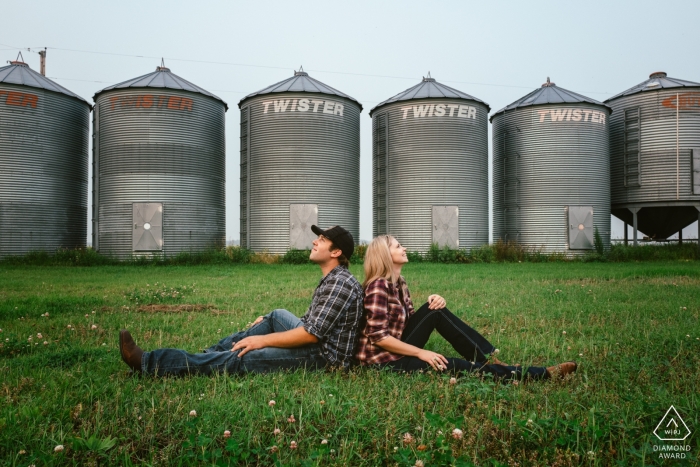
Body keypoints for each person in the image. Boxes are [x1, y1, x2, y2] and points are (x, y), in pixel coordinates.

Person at [119, 225, 363, 376]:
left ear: (336, 252)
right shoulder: (335, 278)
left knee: (243, 358)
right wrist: (268, 326)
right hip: (316, 343)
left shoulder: (339, 283)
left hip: (322, 359)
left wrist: (261, 340)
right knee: (276, 315)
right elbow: (315, 324)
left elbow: (311, 335)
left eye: (322, 239)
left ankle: (150, 364)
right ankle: (207, 355)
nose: (314, 241)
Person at [355, 235, 577, 381]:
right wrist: (422, 353)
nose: (404, 248)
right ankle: (540, 374)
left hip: (398, 347)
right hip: (383, 361)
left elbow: (408, 323)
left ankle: (489, 359)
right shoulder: (378, 286)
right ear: (385, 255)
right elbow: (378, 338)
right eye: (398, 246)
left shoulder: (399, 282)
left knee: (435, 310)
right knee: (455, 365)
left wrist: (433, 302)